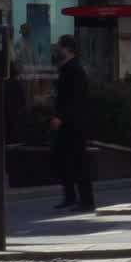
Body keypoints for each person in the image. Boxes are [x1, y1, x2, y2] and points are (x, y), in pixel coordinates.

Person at [51, 35, 95, 211]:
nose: (57, 50)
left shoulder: (74, 69)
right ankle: (70, 196)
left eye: (59, 47)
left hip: (74, 124)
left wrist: (60, 116)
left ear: (67, 48)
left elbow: (74, 98)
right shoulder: (68, 68)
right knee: (65, 161)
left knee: (78, 162)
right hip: (69, 122)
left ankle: (86, 200)